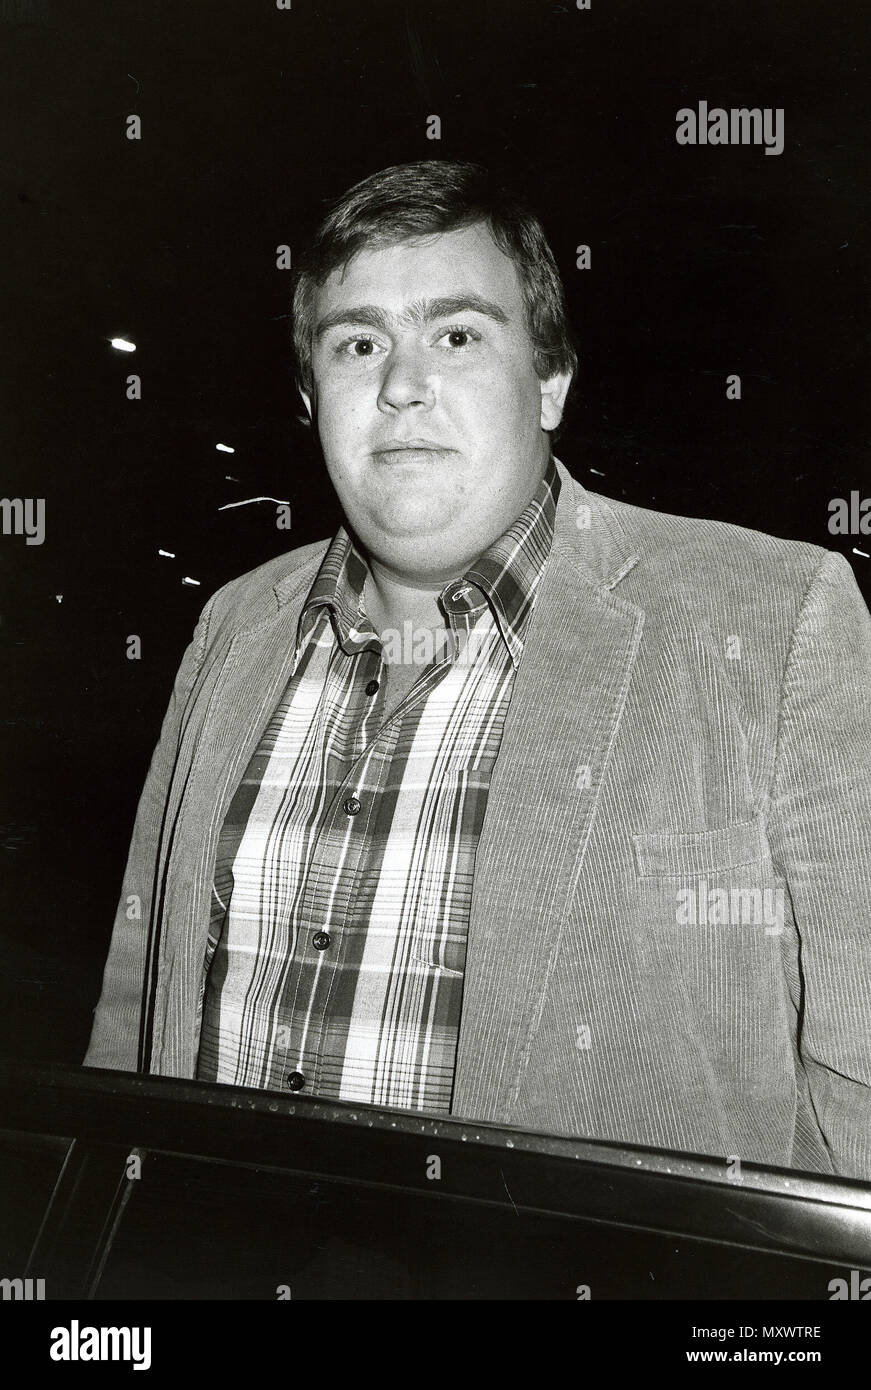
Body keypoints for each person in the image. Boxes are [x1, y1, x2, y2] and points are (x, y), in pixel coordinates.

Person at [85, 160, 871, 1181]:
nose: (402, 384)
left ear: (549, 381)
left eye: (456, 335)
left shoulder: (773, 618)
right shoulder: (233, 628)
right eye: (358, 343)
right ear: (310, 393)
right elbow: (134, 1010)